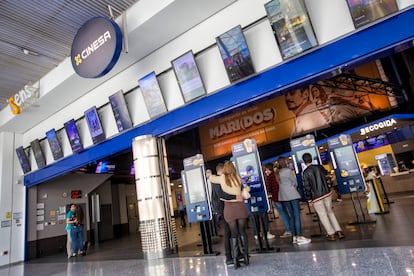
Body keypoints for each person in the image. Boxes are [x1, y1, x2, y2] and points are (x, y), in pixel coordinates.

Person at [209, 161, 249, 269]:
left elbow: (212, 181)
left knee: (232, 233)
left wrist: (208, 173)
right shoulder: (238, 177)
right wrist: (237, 196)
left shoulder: (221, 178)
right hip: (240, 206)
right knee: (242, 232)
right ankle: (246, 257)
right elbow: (241, 189)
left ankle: (234, 259)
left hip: (228, 209)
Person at [302, 153, 345, 241]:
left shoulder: (305, 172)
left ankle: (331, 234)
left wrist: (309, 199)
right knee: (330, 212)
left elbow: (307, 187)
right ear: (311, 159)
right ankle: (339, 231)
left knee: (322, 214)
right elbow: (326, 177)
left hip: (316, 197)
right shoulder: (320, 167)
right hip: (326, 193)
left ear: (304, 161)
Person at [277, 156, 311, 245]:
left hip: (284, 196)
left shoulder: (277, 173)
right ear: (285, 162)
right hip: (292, 194)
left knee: (291, 216)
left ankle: (294, 237)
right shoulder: (288, 171)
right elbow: (294, 182)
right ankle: (299, 236)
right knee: (296, 215)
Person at [263, 163, 291, 238]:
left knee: (283, 215)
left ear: (268, 169)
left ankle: (288, 230)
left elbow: (269, 189)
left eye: (266, 170)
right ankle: (292, 229)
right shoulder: (278, 175)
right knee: (288, 213)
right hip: (283, 197)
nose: (265, 172)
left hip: (276, 198)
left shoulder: (269, 177)